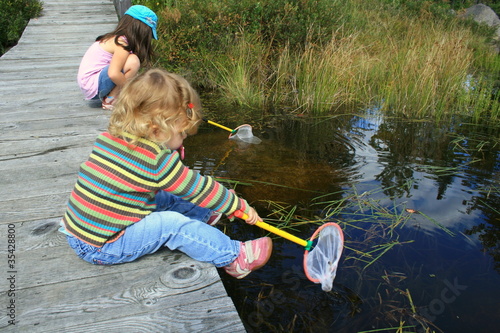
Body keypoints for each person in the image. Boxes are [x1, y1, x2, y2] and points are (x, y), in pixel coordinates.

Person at [61, 68, 273, 279]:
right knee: (171, 225)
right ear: (157, 128)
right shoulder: (155, 160)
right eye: (181, 132)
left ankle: (203, 215)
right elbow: (197, 188)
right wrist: (236, 205)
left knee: (162, 196)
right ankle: (234, 257)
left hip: (79, 233)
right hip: (104, 246)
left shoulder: (110, 138)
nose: (184, 137)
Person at [77, 5, 158, 110]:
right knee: (133, 61)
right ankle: (111, 99)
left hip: (90, 85)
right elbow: (113, 74)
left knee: (131, 69)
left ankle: (114, 96)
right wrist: (131, 91)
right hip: (94, 85)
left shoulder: (116, 39)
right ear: (141, 30)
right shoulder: (121, 44)